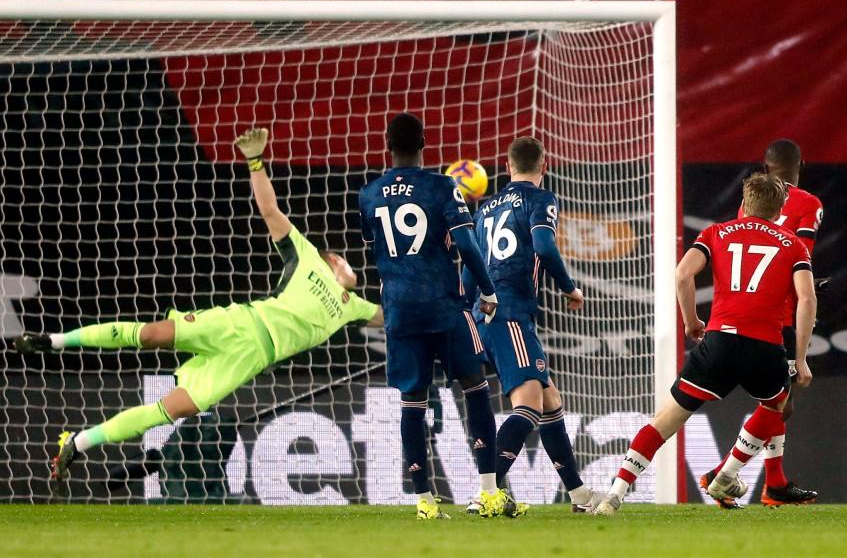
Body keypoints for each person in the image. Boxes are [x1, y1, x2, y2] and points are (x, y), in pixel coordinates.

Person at [15, 128, 383, 483]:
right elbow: (270, 210)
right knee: (152, 335)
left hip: (248, 358)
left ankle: (78, 442)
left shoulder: (353, 306)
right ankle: (53, 340)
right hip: (240, 323)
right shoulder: (306, 257)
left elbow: (391, 318)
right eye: (349, 262)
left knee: (172, 411)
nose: (355, 269)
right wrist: (255, 162)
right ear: (334, 260)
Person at [595, 173, 817, 516]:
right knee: (779, 408)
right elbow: (806, 298)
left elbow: (683, 274)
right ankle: (727, 475)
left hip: (719, 342)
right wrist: (800, 357)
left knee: (665, 421)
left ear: (743, 205)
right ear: (779, 210)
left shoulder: (716, 232)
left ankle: (615, 494)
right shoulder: (793, 244)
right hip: (764, 348)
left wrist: (691, 321)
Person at [357, 112, 502, 520]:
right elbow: (468, 246)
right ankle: (489, 491)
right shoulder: (442, 186)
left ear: (388, 145)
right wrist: (488, 291)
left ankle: (423, 500)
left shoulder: (368, 195)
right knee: (475, 387)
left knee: (412, 401)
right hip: (444, 304)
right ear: (424, 144)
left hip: (400, 311)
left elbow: (377, 248)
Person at [461, 136, 603, 515]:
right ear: (545, 165)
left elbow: (470, 266)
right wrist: (570, 287)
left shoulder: (486, 207)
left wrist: (466, 313)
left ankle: (579, 497)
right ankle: (486, 493)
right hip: (510, 314)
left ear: (507, 167)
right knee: (528, 407)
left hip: (485, 313)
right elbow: (543, 246)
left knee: (551, 402)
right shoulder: (540, 199)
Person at [699, 138, 823, 507]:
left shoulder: (746, 203)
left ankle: (775, 484)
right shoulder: (809, 203)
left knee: (778, 402)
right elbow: (800, 253)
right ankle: (723, 475)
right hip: (779, 316)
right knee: (780, 404)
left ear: (765, 167)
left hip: (741, 311)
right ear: (801, 163)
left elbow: (748, 250)